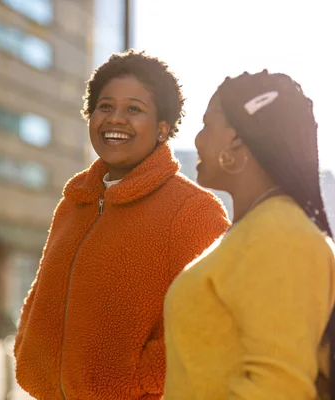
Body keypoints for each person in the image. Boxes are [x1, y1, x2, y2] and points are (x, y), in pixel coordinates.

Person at [14, 50, 230, 399]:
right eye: (105, 106)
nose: (115, 119)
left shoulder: (194, 211)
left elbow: (220, 326)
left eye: (134, 109)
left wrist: (137, 380)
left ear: (163, 128)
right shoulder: (74, 202)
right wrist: (28, 351)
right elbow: (41, 294)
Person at [163, 70, 335, 399]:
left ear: (237, 139)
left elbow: (277, 389)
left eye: (207, 125)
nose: (196, 140)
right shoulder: (255, 230)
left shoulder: (280, 234)